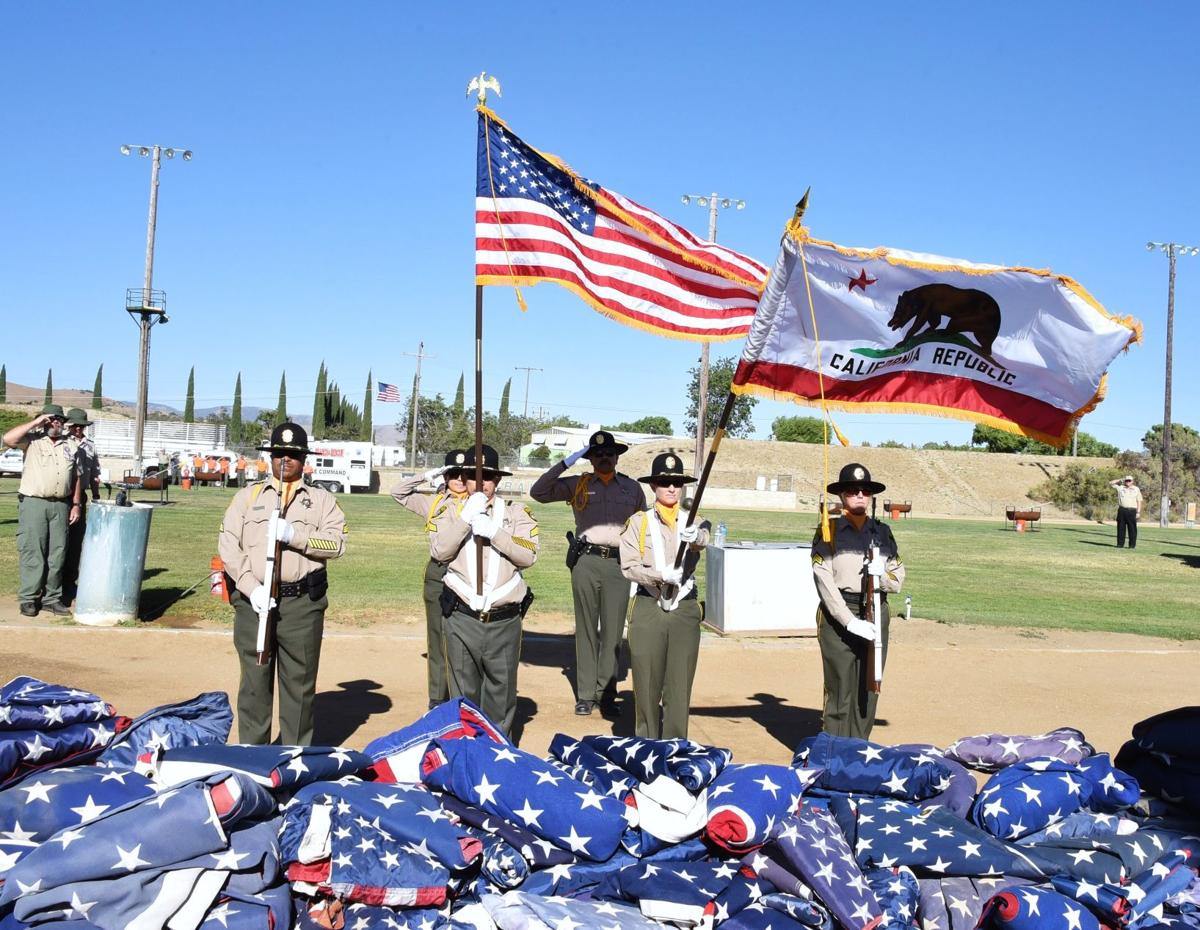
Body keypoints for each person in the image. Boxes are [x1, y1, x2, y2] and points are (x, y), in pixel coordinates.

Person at [218, 422, 347, 745]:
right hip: (254, 603)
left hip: (301, 604)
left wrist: (295, 536)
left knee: (299, 685)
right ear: (270, 458)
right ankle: (254, 755)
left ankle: (294, 758)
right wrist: (251, 587)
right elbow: (228, 547)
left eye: (292, 454)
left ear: (304, 460)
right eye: (279, 454)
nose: (285, 460)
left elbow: (337, 545)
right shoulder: (248, 498)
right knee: (254, 682)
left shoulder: (321, 501)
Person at [530, 429, 644, 716]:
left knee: (613, 631)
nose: (605, 458)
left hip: (619, 564)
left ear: (617, 457)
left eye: (609, 453)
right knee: (585, 629)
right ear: (590, 458)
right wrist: (568, 462)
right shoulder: (577, 484)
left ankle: (606, 692)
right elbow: (539, 492)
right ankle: (585, 694)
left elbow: (643, 529)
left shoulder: (632, 489)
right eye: (598, 454)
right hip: (587, 561)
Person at [430, 444, 538, 736]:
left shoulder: (516, 513)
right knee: (463, 694)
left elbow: (529, 554)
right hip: (462, 616)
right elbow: (439, 551)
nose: (482, 483)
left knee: (501, 694)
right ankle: (467, 754)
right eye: (475, 477)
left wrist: (495, 532)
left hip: (503, 618)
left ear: (498, 480)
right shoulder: (448, 511)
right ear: (464, 479)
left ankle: (499, 752)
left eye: (488, 477)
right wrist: (465, 519)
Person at [618, 452, 710, 740]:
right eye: (664, 482)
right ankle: (646, 746)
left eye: (677, 483)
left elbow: (705, 538)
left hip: (684, 608)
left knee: (679, 686)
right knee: (646, 684)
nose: (671, 488)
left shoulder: (694, 520)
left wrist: (696, 537)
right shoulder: (638, 522)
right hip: (648, 605)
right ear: (653, 486)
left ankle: (675, 748)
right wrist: (659, 575)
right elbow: (629, 566)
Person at [810, 463, 905, 740]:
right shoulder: (828, 531)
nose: (860, 495)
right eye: (853, 491)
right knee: (840, 686)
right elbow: (823, 578)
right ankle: (833, 751)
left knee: (869, 687)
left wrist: (882, 576)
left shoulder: (883, 532)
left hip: (876, 610)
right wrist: (849, 621)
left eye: (865, 491)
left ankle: (858, 748)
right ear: (842, 496)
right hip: (839, 613)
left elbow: (898, 579)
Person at [390, 449, 469, 710]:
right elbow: (397, 492)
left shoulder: (479, 502)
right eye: (452, 473)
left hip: (468, 573)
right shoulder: (433, 503)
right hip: (439, 573)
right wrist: (426, 475)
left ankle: (465, 692)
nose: (458, 478)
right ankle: (437, 695)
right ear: (444, 476)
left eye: (463, 473)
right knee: (437, 635)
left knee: (467, 636)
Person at [2, 405, 80, 617]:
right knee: (33, 550)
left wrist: (75, 504)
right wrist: (36, 422)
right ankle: (29, 598)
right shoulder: (32, 441)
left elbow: (76, 477)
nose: (56, 423)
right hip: (34, 502)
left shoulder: (70, 445)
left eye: (59, 420)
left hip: (61, 504)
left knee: (58, 553)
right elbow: (8, 439)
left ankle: (52, 598)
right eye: (52, 419)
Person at [63, 408, 101, 604]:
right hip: (62, 497)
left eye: (81, 426)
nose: (77, 429)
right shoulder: (61, 443)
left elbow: (94, 473)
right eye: (74, 425)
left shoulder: (90, 446)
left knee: (76, 543)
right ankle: (53, 584)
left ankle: (70, 583)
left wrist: (96, 494)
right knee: (60, 542)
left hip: (81, 498)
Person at [1110, 475, 1143, 549]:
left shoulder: (1136, 489)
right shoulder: (1120, 488)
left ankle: (1132, 545)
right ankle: (1120, 544)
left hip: (1132, 511)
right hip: (1122, 510)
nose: (1128, 482)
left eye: (1129, 480)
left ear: (1132, 481)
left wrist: (1138, 512)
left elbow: (1139, 501)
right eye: (1126, 480)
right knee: (1120, 528)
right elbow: (1111, 483)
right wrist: (1120, 479)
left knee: (1132, 529)